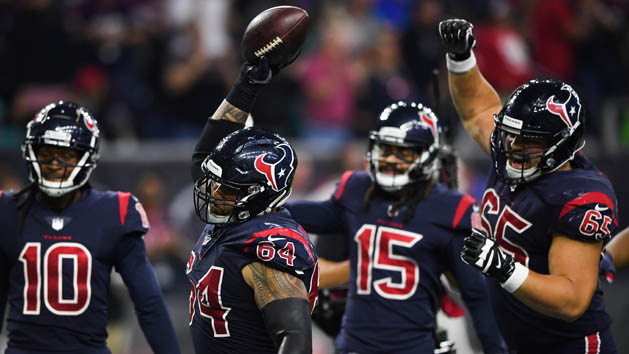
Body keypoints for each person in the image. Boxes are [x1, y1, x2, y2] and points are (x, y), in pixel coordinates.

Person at [439, 18, 619, 353]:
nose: (512, 149)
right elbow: (477, 107)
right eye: (511, 138)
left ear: (564, 144)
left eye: (528, 143)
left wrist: (504, 268)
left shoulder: (579, 196)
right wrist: (462, 59)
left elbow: (572, 300)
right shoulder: (514, 154)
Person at [286, 101, 507, 354]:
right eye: (385, 149)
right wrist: (266, 204)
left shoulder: (450, 208)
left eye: (403, 152)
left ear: (427, 155)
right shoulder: (358, 190)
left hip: (412, 346)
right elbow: (313, 215)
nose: (390, 159)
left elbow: (474, 292)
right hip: (355, 346)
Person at [0, 101, 181, 354]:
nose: (53, 163)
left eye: (65, 155)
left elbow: (148, 301)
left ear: (88, 156)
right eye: (45, 153)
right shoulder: (8, 209)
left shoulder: (114, 211)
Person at [185, 54, 318, 354]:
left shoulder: (267, 246)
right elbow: (203, 158)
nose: (216, 193)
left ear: (261, 193)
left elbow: (296, 342)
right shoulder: (234, 215)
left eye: (229, 189)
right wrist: (246, 86)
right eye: (218, 183)